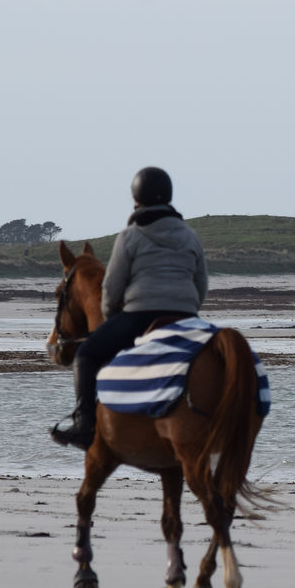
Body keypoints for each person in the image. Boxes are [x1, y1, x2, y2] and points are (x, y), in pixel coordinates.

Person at [49, 166, 208, 449]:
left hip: (140, 315)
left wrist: (111, 321)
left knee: (85, 355)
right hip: (186, 317)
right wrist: (187, 310)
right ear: (169, 197)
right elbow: (201, 285)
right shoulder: (190, 235)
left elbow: (111, 290)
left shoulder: (130, 236)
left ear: (137, 199)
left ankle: (85, 427)